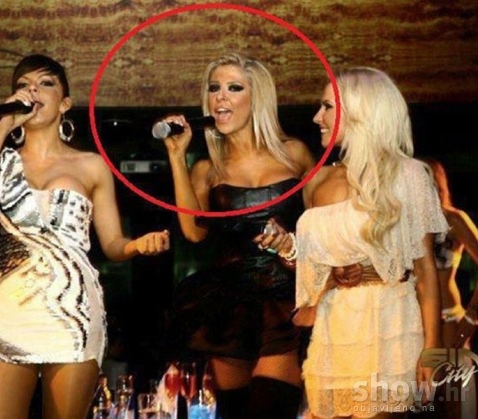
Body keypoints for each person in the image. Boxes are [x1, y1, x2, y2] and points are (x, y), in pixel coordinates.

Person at [0, 54, 170, 419]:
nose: (33, 91)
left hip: (72, 308)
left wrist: (136, 245)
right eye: (24, 85)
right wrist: (3, 128)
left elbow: (112, 244)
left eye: (45, 84)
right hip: (11, 309)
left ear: (65, 103)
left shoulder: (91, 165)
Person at [161, 52, 316, 419]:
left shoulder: (294, 153)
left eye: (233, 88)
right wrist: (176, 157)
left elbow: (324, 223)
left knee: (271, 408)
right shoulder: (207, 169)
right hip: (230, 306)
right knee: (234, 412)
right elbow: (193, 232)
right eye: (214, 88)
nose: (220, 97)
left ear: (256, 96)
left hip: (287, 298)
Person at [290, 67, 449, 418]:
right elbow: (310, 266)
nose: (317, 117)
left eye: (327, 107)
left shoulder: (408, 175)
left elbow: (426, 271)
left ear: (360, 111)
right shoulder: (316, 180)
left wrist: (433, 349)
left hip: (390, 324)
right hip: (334, 327)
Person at [420, 156, 478, 418]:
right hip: (413, 326)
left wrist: (471, 317)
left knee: (456, 404)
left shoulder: (453, 219)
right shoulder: (402, 224)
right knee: (422, 405)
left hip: (449, 322)